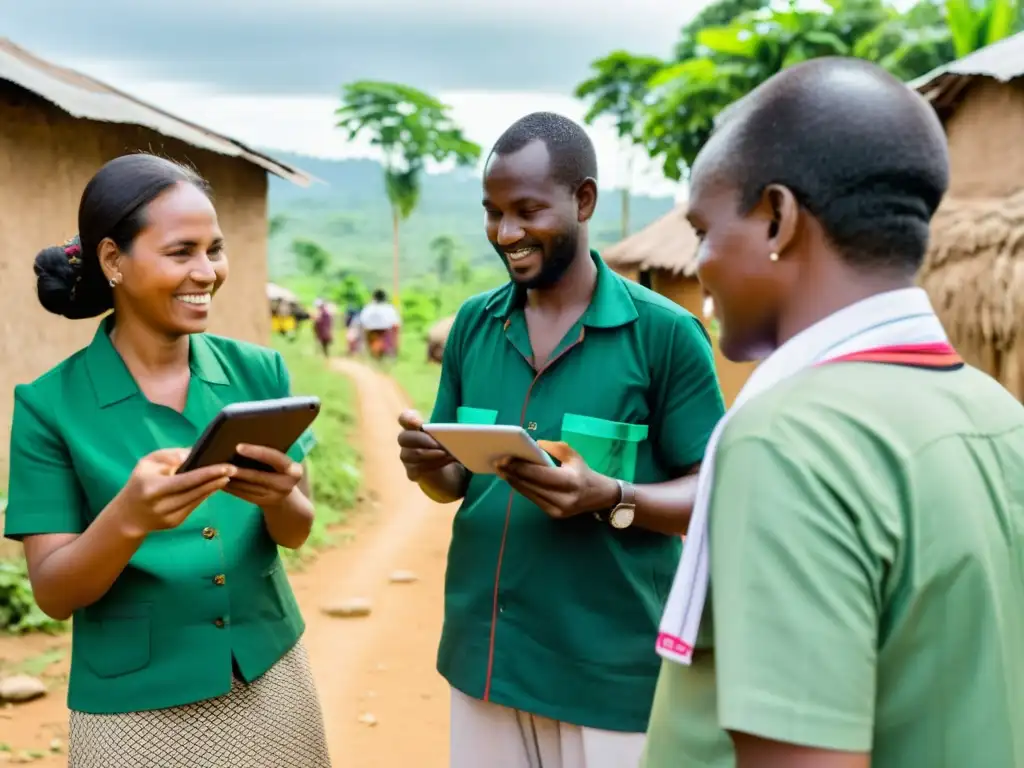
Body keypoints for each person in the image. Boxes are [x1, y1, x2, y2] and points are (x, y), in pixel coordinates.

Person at [642, 58, 1024, 768]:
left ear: (778, 218)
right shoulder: (999, 419)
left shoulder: (788, 441)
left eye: (703, 230)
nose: (697, 264)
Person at [396, 112, 726, 768]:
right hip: (486, 659)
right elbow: (454, 486)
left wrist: (611, 496)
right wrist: (427, 466)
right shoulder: (473, 325)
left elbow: (719, 494)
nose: (506, 233)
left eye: (526, 210)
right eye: (492, 212)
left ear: (583, 200)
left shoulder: (663, 335)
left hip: (610, 674)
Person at [5, 153, 331, 767]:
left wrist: (282, 495)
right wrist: (127, 518)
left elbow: (298, 530)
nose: (206, 272)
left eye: (215, 249)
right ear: (112, 262)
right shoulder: (50, 406)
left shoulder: (261, 373)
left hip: (270, 682)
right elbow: (52, 591)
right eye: (181, 252)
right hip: (136, 710)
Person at [359, 289, 401, 360]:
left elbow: (362, 321)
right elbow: (396, 323)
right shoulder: (389, 308)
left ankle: (365, 348)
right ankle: (393, 349)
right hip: (384, 331)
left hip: (372, 331)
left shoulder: (369, 307)